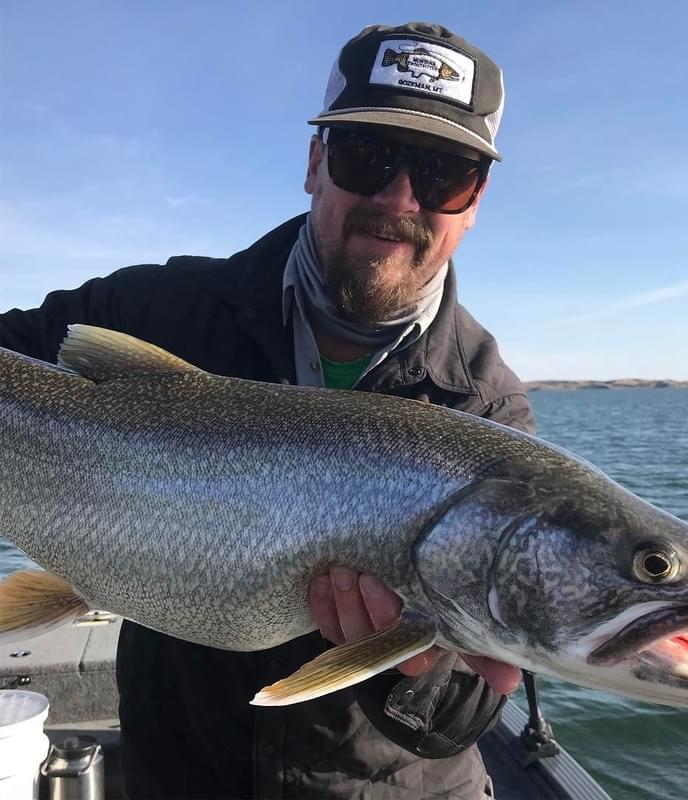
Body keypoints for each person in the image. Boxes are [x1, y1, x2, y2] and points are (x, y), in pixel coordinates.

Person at [0, 21, 536, 799]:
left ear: (475, 200)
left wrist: (414, 668)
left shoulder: (486, 409)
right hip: (178, 776)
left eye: (442, 174)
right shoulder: (158, 307)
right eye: (367, 156)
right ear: (316, 163)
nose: (397, 199)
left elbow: (462, 718)